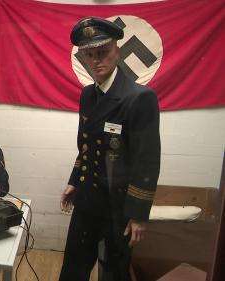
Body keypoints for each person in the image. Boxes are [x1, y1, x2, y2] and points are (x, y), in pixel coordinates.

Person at [59, 17, 161, 281]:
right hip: (87, 199)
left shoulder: (139, 98)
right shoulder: (88, 95)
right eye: (89, 55)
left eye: (102, 52)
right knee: (72, 268)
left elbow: (146, 161)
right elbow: (86, 146)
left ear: (117, 49)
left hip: (119, 206)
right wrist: (74, 181)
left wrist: (138, 214)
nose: (96, 61)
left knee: (115, 272)